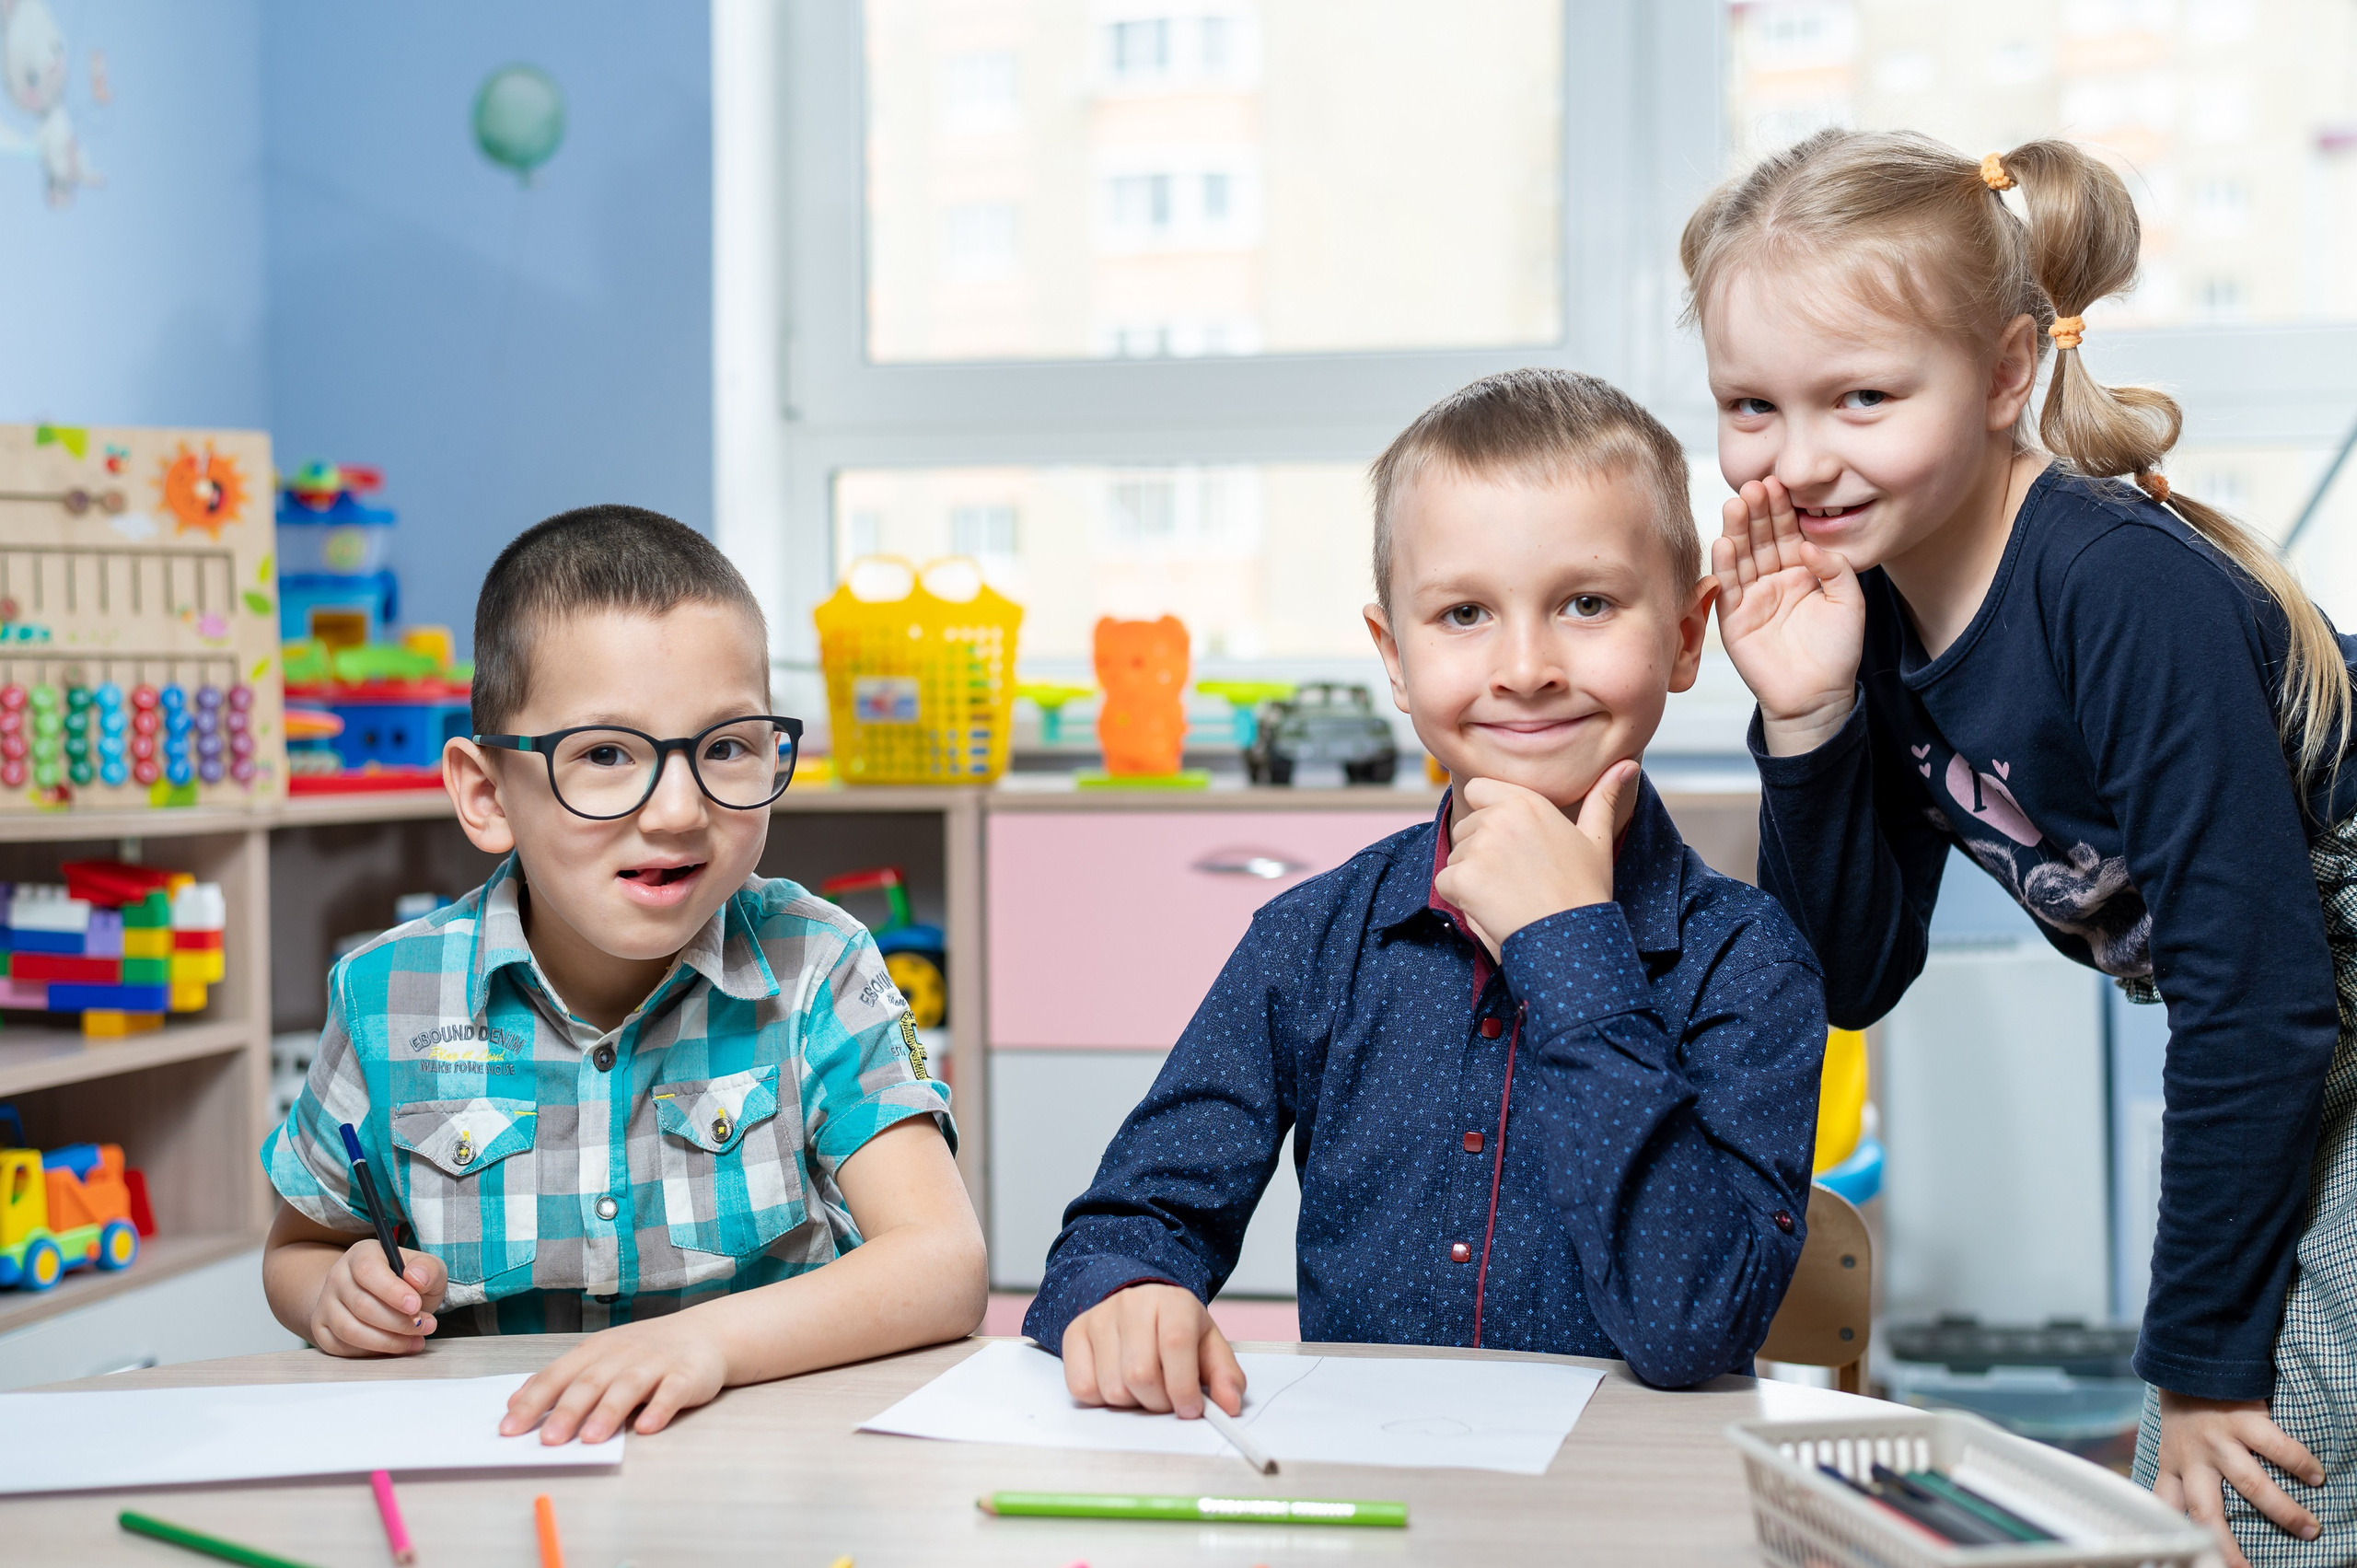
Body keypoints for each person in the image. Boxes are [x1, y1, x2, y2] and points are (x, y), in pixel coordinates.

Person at [1687, 129, 2357, 1567]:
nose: (1798, 461)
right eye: (1751, 405)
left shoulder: (2113, 586)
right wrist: (1802, 717)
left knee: (2251, 1480)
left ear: (2003, 376)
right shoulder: (1863, 608)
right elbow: (1846, 975)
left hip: (2303, 1000)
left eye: (1863, 397)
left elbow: (2259, 1000)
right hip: (2308, 1022)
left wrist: (2197, 1361)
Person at [1025, 368, 1828, 1418]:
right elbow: (1124, 1223)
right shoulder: (1312, 939)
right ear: (1393, 657)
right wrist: (1129, 1290)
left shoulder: (1745, 959)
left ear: (1684, 637)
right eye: (1462, 613)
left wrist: (1566, 939)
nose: (1527, 666)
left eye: (1586, 603)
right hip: (1381, 1497)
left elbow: (1692, 1328)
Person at [259, 505, 984, 1445]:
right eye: (605, 754)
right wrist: (334, 1293)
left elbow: (942, 1260)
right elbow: (300, 1246)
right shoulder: (387, 994)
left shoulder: (818, 963)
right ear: (485, 793)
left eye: (725, 746)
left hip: (764, 1464)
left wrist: (704, 1343)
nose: (679, 810)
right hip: (501, 1467)